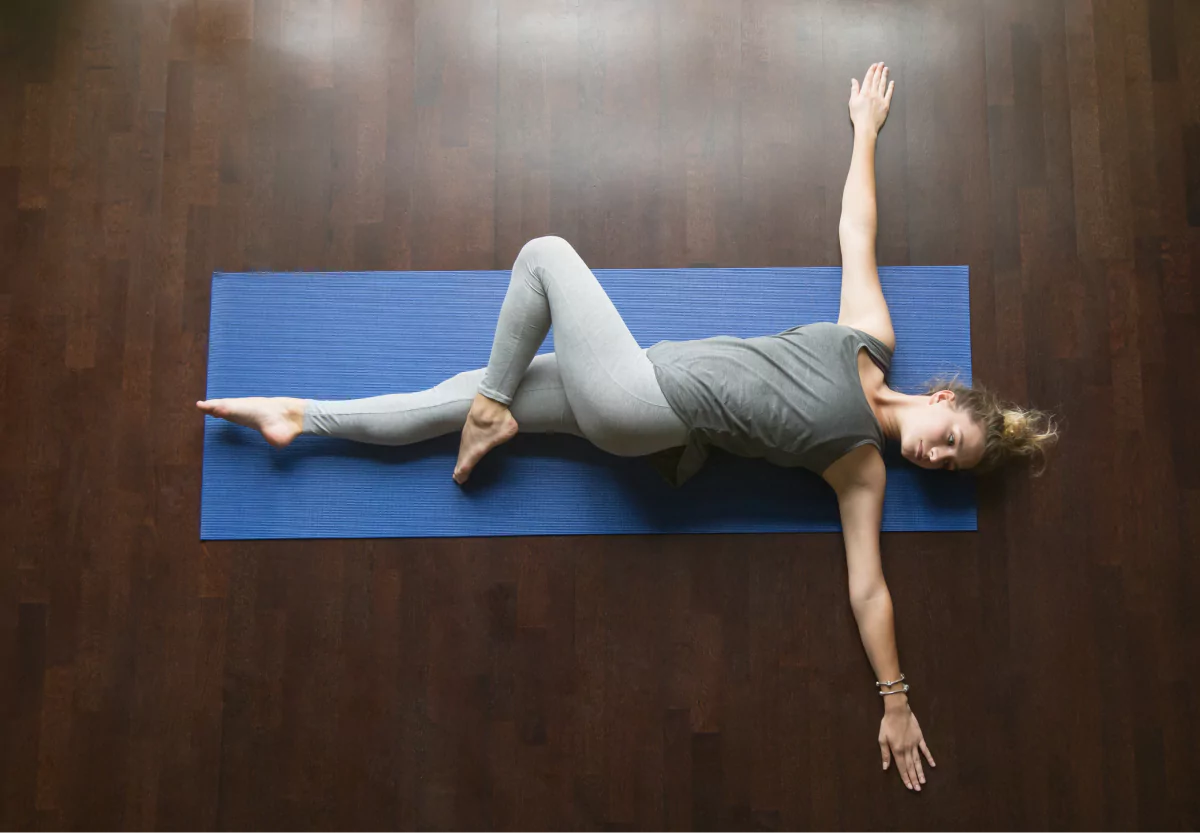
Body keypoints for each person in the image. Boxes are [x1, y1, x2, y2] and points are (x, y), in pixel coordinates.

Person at [197, 63, 1058, 793]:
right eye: (951, 440)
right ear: (945, 399)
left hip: (645, 400)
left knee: (543, 255)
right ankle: (301, 417)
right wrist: (865, 131)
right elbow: (855, 231)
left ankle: (493, 410)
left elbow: (869, 587)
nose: (934, 456)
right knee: (453, 394)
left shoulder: (859, 467)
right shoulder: (872, 340)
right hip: (632, 391)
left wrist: (896, 697)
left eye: (946, 468)